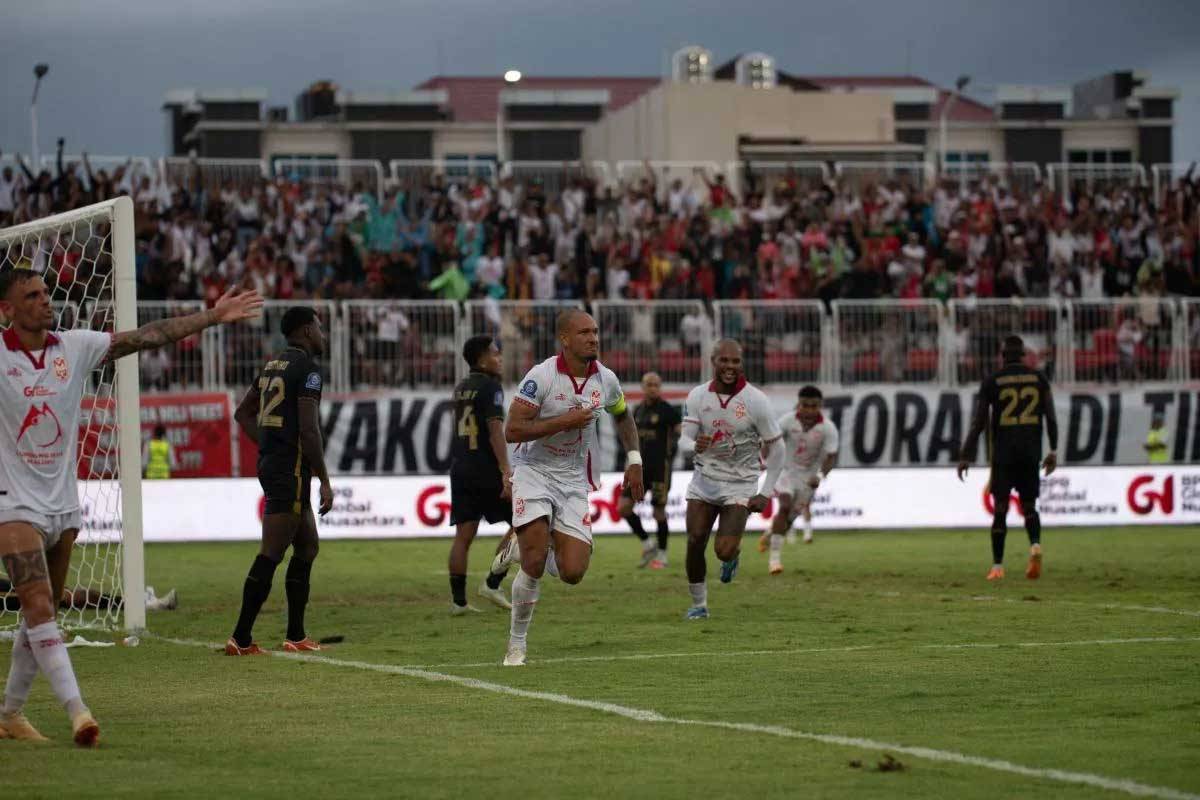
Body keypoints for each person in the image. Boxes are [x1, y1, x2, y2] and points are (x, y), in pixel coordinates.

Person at [0, 268, 260, 745]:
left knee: (44, 615)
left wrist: (213, 316)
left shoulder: (72, 347)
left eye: (45, 292)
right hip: (11, 505)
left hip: (61, 504)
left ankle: (10, 714)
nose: (44, 301)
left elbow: (147, 336)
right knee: (38, 606)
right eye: (31, 296)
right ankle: (79, 713)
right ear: (7, 310)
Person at [497, 310, 643, 666]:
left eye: (595, 332)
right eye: (584, 333)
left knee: (573, 573)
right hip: (535, 471)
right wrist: (566, 420)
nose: (593, 338)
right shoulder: (541, 376)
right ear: (564, 338)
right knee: (532, 562)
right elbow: (512, 430)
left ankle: (529, 540)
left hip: (574, 478)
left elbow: (622, 413)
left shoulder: (605, 379)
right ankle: (516, 646)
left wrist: (635, 458)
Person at [227, 307, 332, 656]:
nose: (322, 334)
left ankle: (296, 634)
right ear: (305, 331)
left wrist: (269, 442)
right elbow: (308, 428)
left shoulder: (272, 366)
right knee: (271, 552)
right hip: (291, 470)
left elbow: (243, 413)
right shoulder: (308, 371)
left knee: (307, 547)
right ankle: (240, 638)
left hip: (277, 464)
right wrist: (325, 480)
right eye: (319, 328)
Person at [680, 340, 785, 619]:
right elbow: (683, 441)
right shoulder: (698, 396)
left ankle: (732, 556)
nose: (730, 367)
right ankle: (699, 605)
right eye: (723, 361)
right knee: (694, 540)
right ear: (712, 361)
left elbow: (778, 449)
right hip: (705, 478)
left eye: (735, 361)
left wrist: (766, 492)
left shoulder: (756, 400)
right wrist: (694, 446)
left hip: (741, 483)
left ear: (742, 363)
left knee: (723, 551)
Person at [958, 335, 1059, 582]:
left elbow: (979, 421)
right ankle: (1035, 545)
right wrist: (1053, 450)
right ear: (1024, 355)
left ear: (1002, 356)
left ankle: (998, 566)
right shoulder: (1039, 379)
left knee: (1001, 508)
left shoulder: (993, 381)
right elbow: (1051, 417)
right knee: (1029, 506)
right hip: (1030, 452)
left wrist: (966, 455)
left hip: (1003, 453)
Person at [447, 335, 517, 615]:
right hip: (485, 469)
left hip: (460, 467)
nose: (499, 358)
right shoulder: (491, 387)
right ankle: (493, 581)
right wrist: (505, 470)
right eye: (494, 353)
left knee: (463, 535)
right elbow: (495, 431)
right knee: (525, 522)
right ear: (480, 359)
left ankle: (458, 602)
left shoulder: (461, 387)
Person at [757, 386, 839, 574]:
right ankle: (774, 561)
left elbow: (830, 457)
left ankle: (770, 534)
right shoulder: (787, 421)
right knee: (784, 506)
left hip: (808, 478)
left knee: (789, 520)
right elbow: (769, 441)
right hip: (784, 471)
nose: (809, 410)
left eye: (814, 406)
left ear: (820, 406)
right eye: (805, 405)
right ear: (799, 404)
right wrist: (763, 461)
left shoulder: (828, 428)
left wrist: (819, 476)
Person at [618, 372, 681, 569]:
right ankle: (648, 544)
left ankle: (662, 555)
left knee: (658, 513)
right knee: (624, 507)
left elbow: (679, 433)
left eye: (656, 384)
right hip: (639, 469)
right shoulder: (637, 411)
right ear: (643, 387)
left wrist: (671, 452)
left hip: (660, 468)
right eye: (649, 384)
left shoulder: (668, 411)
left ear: (660, 387)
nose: (652, 388)